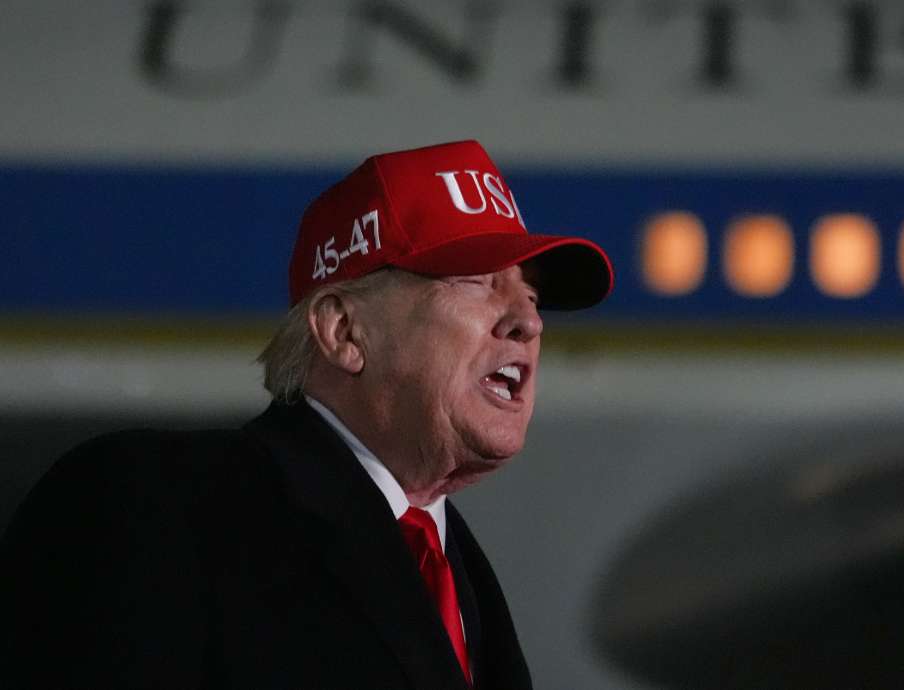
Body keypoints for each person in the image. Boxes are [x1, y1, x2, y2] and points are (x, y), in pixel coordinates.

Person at [0, 140, 613, 689]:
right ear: (344, 330)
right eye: (477, 282)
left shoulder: (463, 580)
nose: (528, 322)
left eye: (530, 296)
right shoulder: (151, 502)